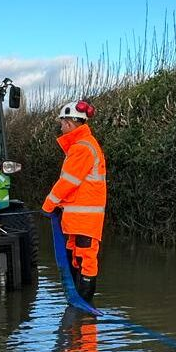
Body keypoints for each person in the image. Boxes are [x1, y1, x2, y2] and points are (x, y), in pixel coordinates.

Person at [41, 100, 107, 302]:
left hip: (84, 220)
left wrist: (48, 205)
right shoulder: (84, 146)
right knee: (77, 258)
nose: (60, 127)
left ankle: (84, 308)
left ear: (70, 123)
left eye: (62, 123)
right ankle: (80, 306)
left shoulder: (82, 148)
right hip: (78, 219)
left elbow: (68, 182)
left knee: (85, 260)